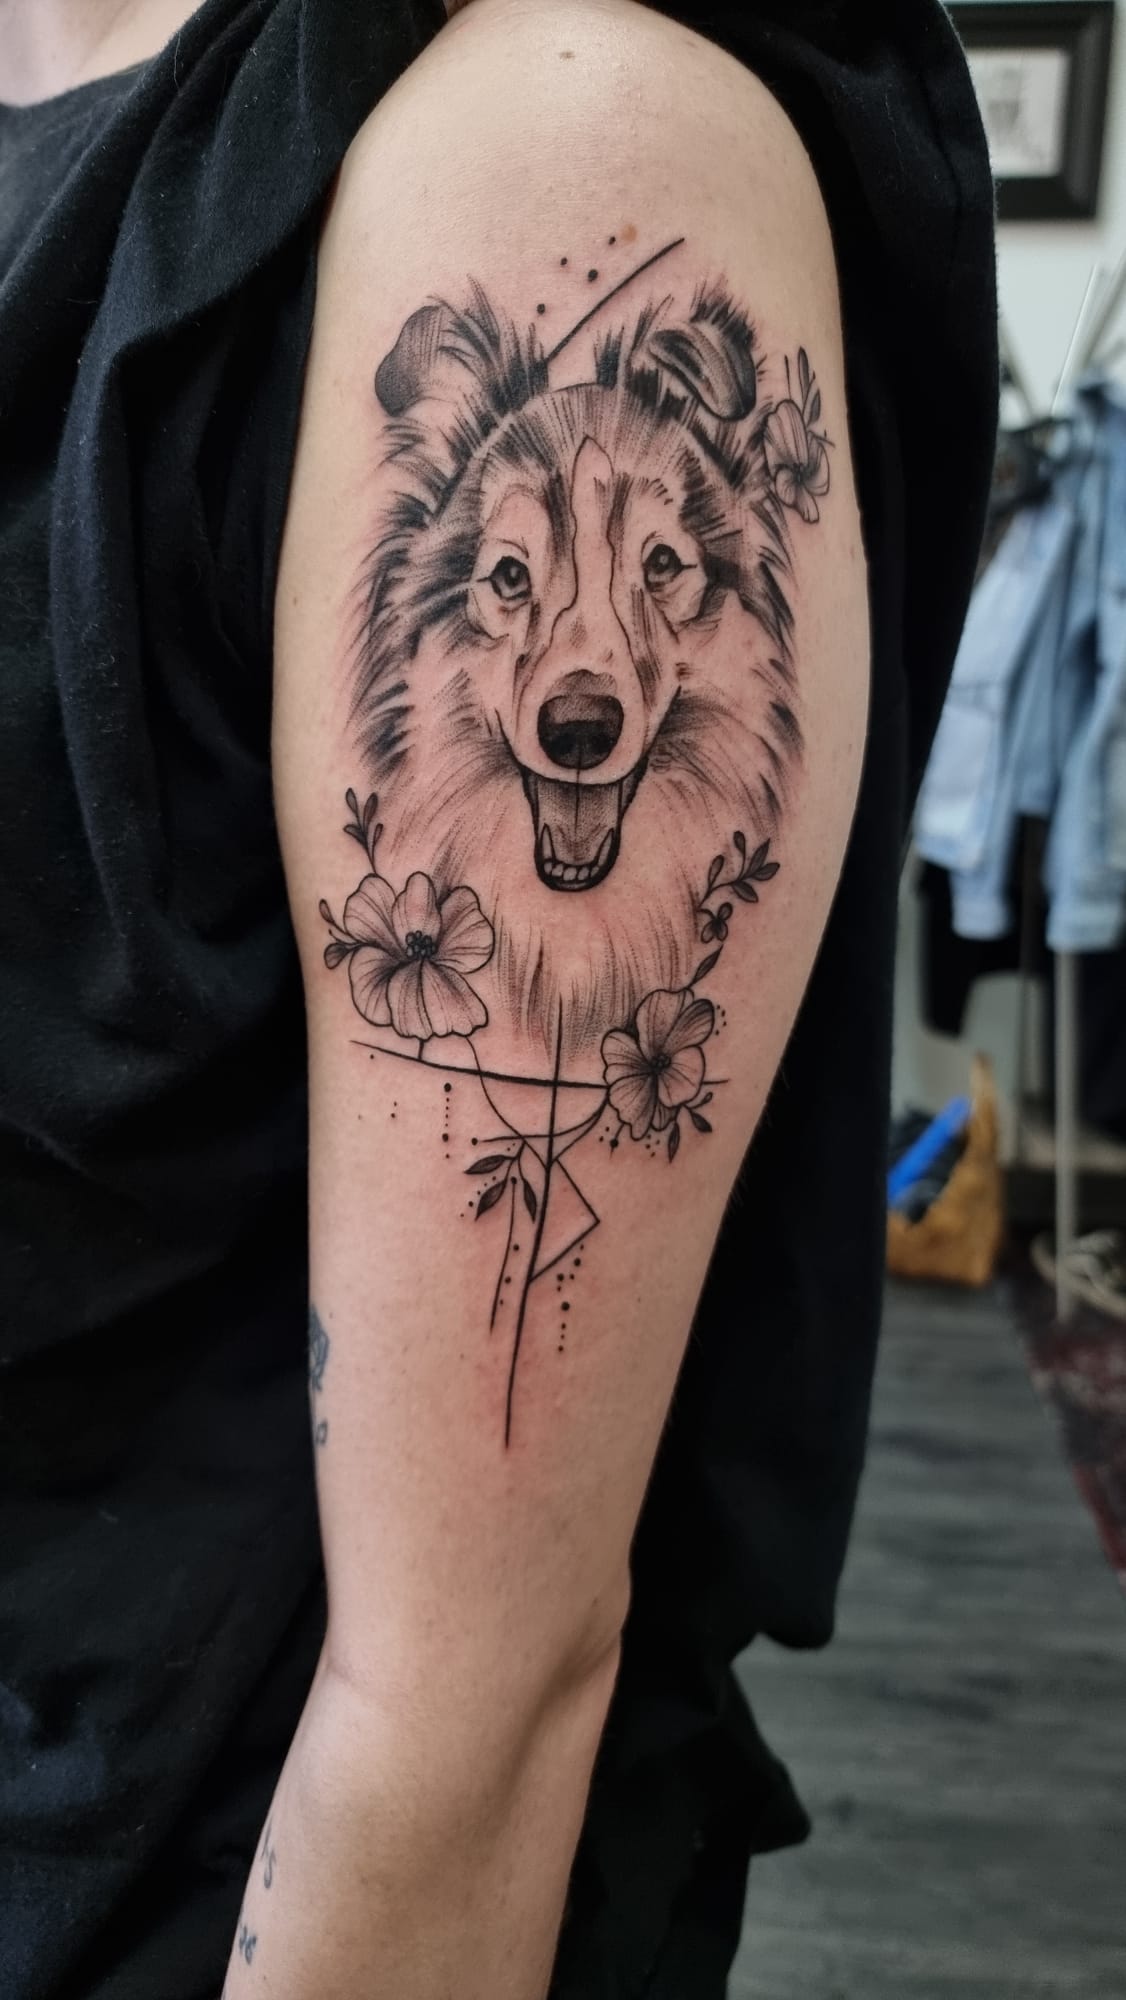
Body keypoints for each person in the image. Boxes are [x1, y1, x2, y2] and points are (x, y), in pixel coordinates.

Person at [0, 1, 997, 1993]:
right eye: (524, 584)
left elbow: (459, 1713)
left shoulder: (564, 141)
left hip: (223, 1898)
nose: (583, 675)